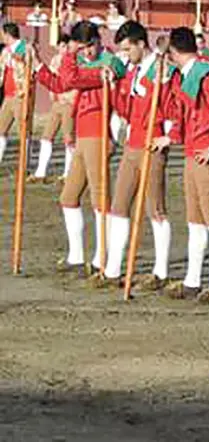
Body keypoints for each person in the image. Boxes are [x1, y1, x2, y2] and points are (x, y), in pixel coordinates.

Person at [34, 20, 127, 276]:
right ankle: (76, 256)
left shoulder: (110, 64)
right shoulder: (88, 66)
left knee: (100, 198)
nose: (88, 51)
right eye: (83, 47)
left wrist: (70, 53)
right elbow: (62, 84)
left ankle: (102, 257)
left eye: (90, 45)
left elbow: (70, 78)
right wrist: (39, 68)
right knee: (68, 197)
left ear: (99, 41)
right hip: (84, 134)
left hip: (98, 133)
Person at [89, 21, 175, 291]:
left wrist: (167, 137)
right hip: (132, 142)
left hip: (152, 144)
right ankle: (113, 268)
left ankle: (160, 271)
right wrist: (114, 86)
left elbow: (173, 108)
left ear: (141, 44)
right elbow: (125, 109)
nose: (126, 55)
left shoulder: (163, 70)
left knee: (155, 208)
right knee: (119, 205)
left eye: (128, 49)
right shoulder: (133, 71)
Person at [155, 27, 209, 305]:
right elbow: (180, 112)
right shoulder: (189, 74)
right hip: (193, 151)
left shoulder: (207, 75)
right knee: (195, 218)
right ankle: (194, 279)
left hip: (204, 152)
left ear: (174, 52)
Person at [29, 35, 77, 183]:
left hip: (68, 103)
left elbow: (76, 83)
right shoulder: (55, 60)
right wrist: (53, 94)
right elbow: (50, 78)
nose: (61, 49)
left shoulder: (75, 61)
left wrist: (70, 98)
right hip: (57, 103)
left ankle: (68, 173)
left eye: (64, 46)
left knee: (69, 139)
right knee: (46, 137)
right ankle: (41, 172)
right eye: (60, 46)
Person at [0, 23, 34, 166]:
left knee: (24, 130)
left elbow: (31, 70)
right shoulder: (5, 51)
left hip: (21, 94)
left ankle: (24, 163)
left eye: (3, 34)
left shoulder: (26, 48)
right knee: (1, 129)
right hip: (8, 95)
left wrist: (18, 59)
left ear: (8, 34)